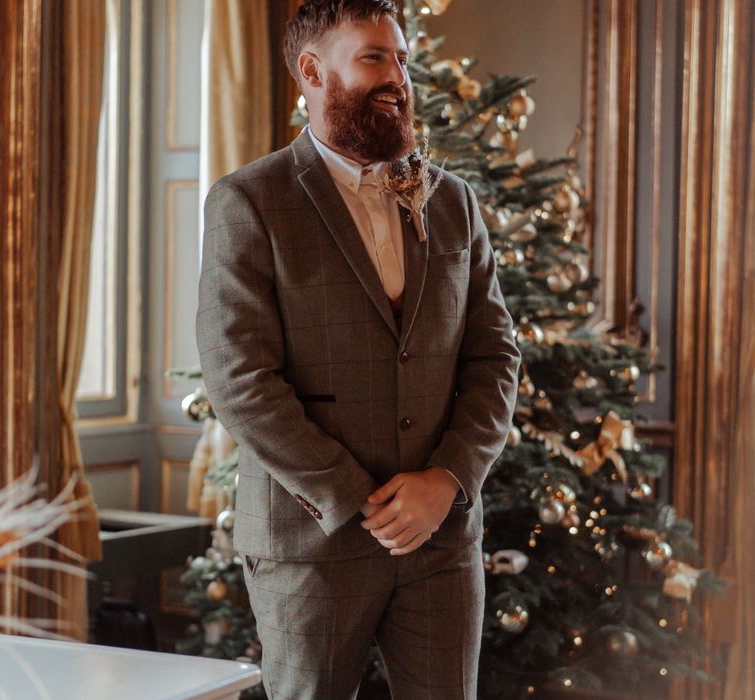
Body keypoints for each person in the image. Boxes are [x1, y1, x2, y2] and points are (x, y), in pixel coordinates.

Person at [196, 1, 521, 697]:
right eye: (374, 57)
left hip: (441, 541)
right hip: (311, 548)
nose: (398, 77)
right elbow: (239, 376)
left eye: (401, 59)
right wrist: (354, 499)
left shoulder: (454, 202)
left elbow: (496, 357)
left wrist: (449, 479)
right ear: (313, 71)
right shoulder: (249, 202)